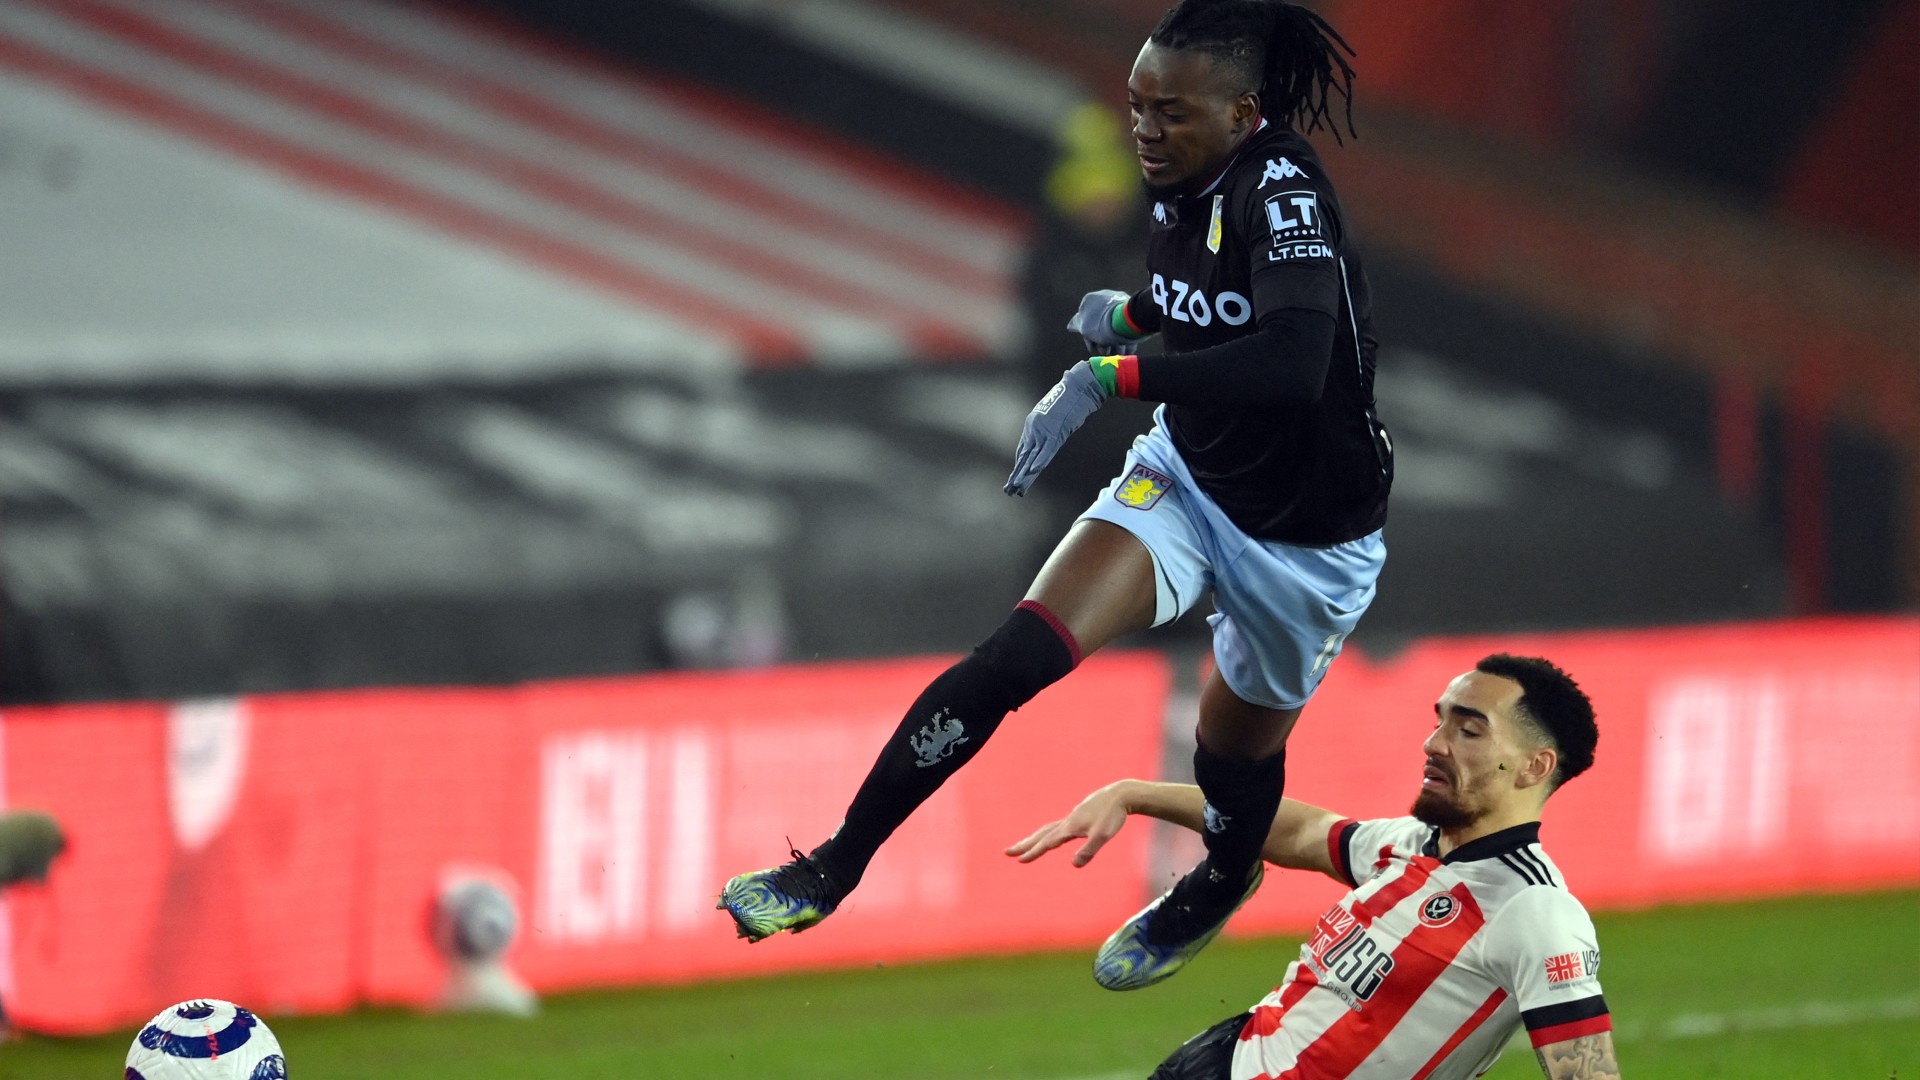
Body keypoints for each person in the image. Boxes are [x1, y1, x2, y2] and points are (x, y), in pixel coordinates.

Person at [720, 0, 1393, 992]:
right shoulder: (1177, 183)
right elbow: (1207, 303)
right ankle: (831, 864)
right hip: (1188, 478)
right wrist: (1129, 313)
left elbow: (1296, 360)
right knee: (1015, 656)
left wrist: (1113, 373)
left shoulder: (1283, 192)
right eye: (1136, 109)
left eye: (1170, 113)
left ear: (1244, 112)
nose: (1146, 133)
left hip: (1308, 540)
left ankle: (1218, 879)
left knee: (1232, 761)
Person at [1007, 655, 1621, 1080]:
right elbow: (1297, 830)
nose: (1434, 743)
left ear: (1535, 768)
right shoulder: (1407, 844)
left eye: (1468, 730)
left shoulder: (1533, 909)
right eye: (1439, 720)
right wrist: (1136, 793)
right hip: (1222, 1058)